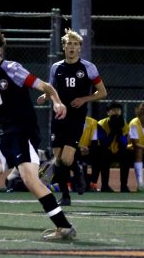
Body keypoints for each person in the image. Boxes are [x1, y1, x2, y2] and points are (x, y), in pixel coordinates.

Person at [0, 26, 76, 241]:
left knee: (30, 180)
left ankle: (64, 227)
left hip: (24, 134)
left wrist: (58, 102)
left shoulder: (12, 69)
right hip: (6, 138)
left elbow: (46, 86)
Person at [37, 28, 107, 206]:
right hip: (58, 116)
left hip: (76, 117)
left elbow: (102, 92)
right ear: (64, 47)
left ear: (79, 48)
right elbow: (52, 89)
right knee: (57, 158)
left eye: (75, 44)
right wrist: (45, 96)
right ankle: (66, 196)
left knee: (66, 159)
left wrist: (84, 99)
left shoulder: (88, 67)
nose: (72, 47)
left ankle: (77, 170)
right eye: (69, 43)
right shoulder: (56, 67)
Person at [97, 101, 131, 192]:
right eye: (113, 110)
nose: (116, 112)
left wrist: (119, 132)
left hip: (119, 149)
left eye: (118, 110)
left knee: (126, 156)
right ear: (108, 112)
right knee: (103, 155)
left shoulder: (124, 125)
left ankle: (124, 186)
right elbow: (104, 143)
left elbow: (124, 144)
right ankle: (104, 185)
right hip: (106, 150)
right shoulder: (101, 124)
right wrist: (113, 132)